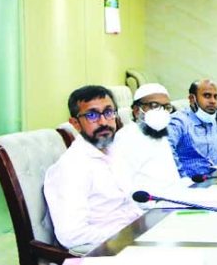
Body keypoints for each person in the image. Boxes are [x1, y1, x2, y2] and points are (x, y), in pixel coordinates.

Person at [44, 85, 143, 250]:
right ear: (75, 123)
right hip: (110, 249)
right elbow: (72, 235)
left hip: (137, 236)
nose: (103, 122)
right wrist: (128, 237)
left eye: (109, 112)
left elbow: (129, 205)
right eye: (92, 115)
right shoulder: (73, 167)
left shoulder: (114, 151)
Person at [111, 83, 181, 192]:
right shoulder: (125, 138)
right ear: (136, 110)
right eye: (154, 105)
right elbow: (123, 186)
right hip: (147, 206)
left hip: (173, 200)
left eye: (166, 107)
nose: (161, 111)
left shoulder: (159, 133)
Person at [168, 79, 217, 178]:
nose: (213, 101)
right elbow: (167, 154)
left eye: (216, 96)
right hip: (191, 183)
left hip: (215, 178)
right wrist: (183, 179)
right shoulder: (178, 122)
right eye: (207, 96)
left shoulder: (211, 118)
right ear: (192, 98)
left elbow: (215, 157)